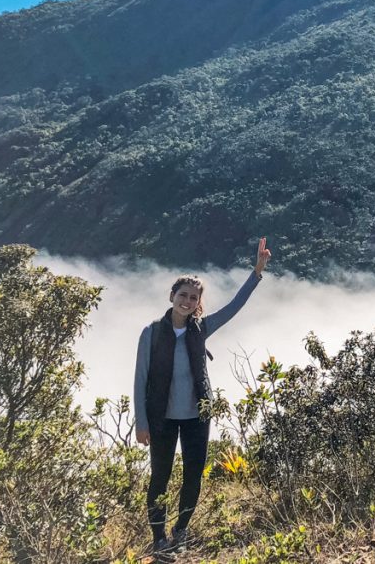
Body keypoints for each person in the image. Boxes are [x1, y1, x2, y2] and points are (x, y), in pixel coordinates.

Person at [133, 237, 272, 554]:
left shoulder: (202, 328)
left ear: (198, 303)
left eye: (193, 298)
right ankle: (159, 539)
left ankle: (180, 530)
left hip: (197, 416)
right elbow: (140, 379)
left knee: (193, 477)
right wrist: (142, 423)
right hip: (162, 418)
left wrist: (257, 272)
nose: (187, 301)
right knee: (160, 478)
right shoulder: (151, 333)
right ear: (172, 296)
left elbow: (235, 307)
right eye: (182, 295)